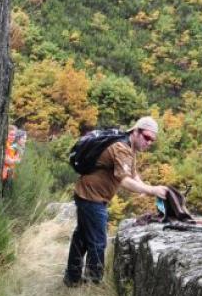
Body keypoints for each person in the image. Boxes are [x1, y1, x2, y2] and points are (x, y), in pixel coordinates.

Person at [64, 116, 169, 287]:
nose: (149, 143)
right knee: (98, 242)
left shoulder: (129, 146)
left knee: (82, 238)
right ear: (136, 131)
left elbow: (133, 174)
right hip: (91, 197)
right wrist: (152, 190)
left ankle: (72, 278)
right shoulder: (121, 148)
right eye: (147, 137)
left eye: (152, 140)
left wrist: (146, 189)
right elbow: (124, 181)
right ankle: (94, 283)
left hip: (89, 195)